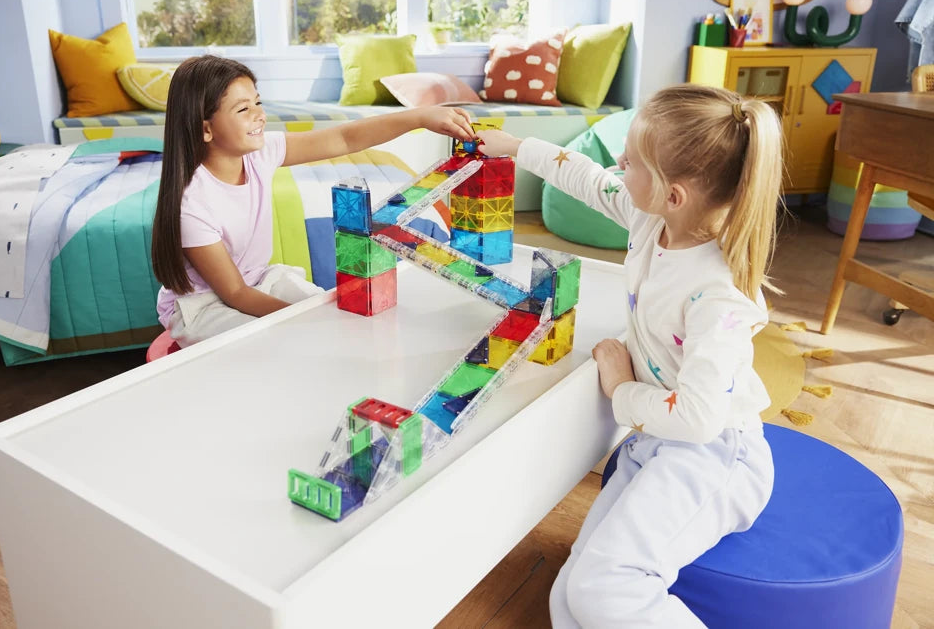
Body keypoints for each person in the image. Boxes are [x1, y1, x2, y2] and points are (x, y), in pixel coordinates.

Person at [477, 83, 781, 628]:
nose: (620, 162)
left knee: (604, 591)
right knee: (570, 594)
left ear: (675, 194)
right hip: (657, 442)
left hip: (713, 455)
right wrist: (515, 146)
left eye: (634, 160)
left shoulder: (718, 295)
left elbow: (698, 419)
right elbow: (588, 178)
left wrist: (621, 388)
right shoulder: (653, 221)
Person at [152, 55, 475, 347]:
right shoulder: (193, 205)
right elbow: (234, 293)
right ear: (205, 129)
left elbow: (343, 138)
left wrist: (418, 117)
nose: (260, 116)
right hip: (203, 305)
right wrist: (304, 322)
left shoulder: (260, 153)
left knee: (337, 310)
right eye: (243, 109)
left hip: (258, 281)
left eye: (258, 102)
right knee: (285, 343)